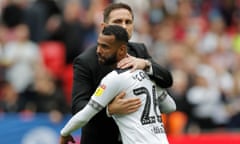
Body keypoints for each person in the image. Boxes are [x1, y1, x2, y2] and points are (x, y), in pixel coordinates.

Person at [71, 3, 173, 144]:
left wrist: (147, 64)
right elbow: (78, 106)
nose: (124, 26)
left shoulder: (139, 51)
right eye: (118, 22)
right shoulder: (86, 61)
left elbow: (167, 80)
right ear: (104, 27)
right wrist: (109, 110)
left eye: (128, 22)